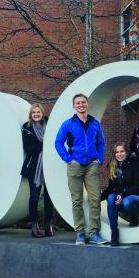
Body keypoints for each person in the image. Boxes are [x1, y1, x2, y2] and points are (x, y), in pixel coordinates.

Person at [55, 93, 107, 245]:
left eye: (83, 102)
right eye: (78, 103)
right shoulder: (68, 124)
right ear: (74, 106)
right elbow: (58, 143)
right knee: (77, 200)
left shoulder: (95, 123)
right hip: (75, 165)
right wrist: (69, 159)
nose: (81, 105)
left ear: (87, 104)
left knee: (95, 199)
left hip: (92, 164)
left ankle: (95, 233)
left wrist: (100, 158)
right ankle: (80, 233)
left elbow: (101, 143)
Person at [101, 142, 139, 246]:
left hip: (137, 198)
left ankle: (134, 215)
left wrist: (122, 194)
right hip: (120, 197)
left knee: (126, 202)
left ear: (126, 152)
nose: (119, 154)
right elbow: (111, 188)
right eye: (117, 152)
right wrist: (97, 199)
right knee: (110, 197)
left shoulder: (135, 164)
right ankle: (114, 232)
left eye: (122, 151)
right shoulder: (113, 166)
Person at [21, 103, 54, 238]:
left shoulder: (50, 124)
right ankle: (34, 226)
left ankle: (48, 224)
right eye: (33, 112)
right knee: (34, 197)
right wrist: (43, 143)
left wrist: (45, 143)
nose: (36, 114)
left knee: (49, 197)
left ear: (42, 112)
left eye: (38, 112)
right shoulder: (27, 127)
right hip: (33, 167)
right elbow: (28, 149)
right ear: (31, 114)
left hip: (49, 166)